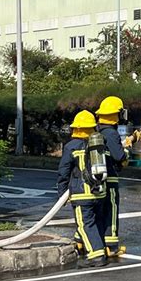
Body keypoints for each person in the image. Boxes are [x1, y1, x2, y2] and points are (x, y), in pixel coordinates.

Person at [57, 110, 108, 268]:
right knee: (96, 221)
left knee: (85, 223)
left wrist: (62, 194)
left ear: (76, 128)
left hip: (82, 193)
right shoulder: (99, 145)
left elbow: (64, 171)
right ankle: (80, 243)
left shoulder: (71, 146)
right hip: (100, 192)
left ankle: (97, 254)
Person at [95, 96, 129, 257]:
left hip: (99, 180)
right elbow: (119, 157)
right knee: (111, 211)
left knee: (99, 211)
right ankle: (112, 246)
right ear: (117, 114)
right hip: (111, 179)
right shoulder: (112, 133)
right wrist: (126, 152)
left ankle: (98, 241)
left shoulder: (99, 132)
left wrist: (127, 142)